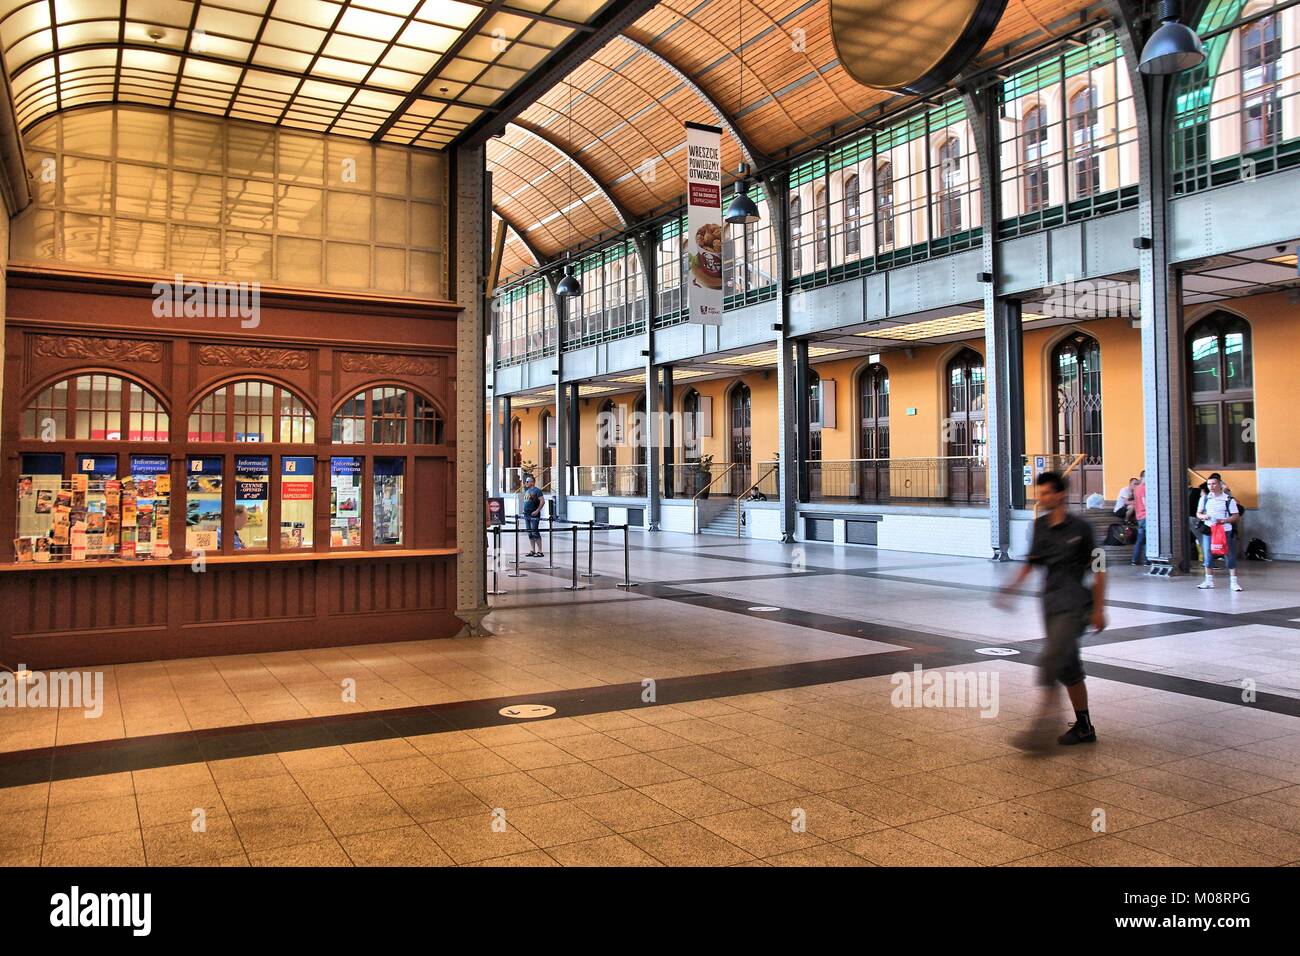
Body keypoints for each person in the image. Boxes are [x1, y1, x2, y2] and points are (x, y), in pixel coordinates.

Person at [998, 471, 1105, 748]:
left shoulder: (1082, 528)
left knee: (1051, 659)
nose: (1040, 497)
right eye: (1039, 492)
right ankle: (1084, 726)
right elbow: (1031, 563)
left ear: (1060, 494)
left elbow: (1100, 568)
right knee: (1068, 666)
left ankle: (1044, 723)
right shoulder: (1040, 526)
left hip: (1076, 605)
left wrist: (1099, 610)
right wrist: (1010, 588)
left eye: (1045, 493)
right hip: (1050, 604)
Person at [1196, 473, 1242, 591]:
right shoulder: (1205, 498)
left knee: (1229, 554)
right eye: (1209, 484)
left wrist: (1225, 520)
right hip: (1209, 530)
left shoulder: (1228, 499)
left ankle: (1233, 581)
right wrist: (1203, 516)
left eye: (1214, 484)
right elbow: (1198, 513)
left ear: (1220, 484)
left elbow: (1236, 516)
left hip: (1225, 530)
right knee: (1208, 554)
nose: (1211, 486)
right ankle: (1209, 580)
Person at [520, 475, 544, 558]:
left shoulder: (537, 491)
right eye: (525, 481)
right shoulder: (527, 491)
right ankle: (532, 550)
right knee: (530, 532)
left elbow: (542, 501)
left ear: (532, 482)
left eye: (527, 481)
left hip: (534, 514)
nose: (525, 483)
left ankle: (540, 551)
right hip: (527, 515)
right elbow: (527, 501)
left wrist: (537, 510)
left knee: (535, 531)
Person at [1131, 470, 1147, 566]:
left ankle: (1135, 559)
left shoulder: (1136, 488)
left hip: (1139, 516)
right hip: (1146, 516)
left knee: (1140, 539)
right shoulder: (1145, 488)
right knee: (1149, 539)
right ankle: (1147, 560)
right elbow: (1146, 503)